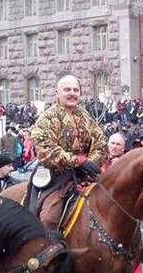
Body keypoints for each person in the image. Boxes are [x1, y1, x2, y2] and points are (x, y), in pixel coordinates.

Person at [30, 75, 107, 230]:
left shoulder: (85, 116)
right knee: (49, 219)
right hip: (57, 177)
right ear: (57, 93)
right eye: (67, 89)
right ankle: (47, 251)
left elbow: (101, 143)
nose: (72, 93)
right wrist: (79, 161)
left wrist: (91, 162)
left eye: (75, 90)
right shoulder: (47, 117)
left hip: (86, 175)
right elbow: (46, 149)